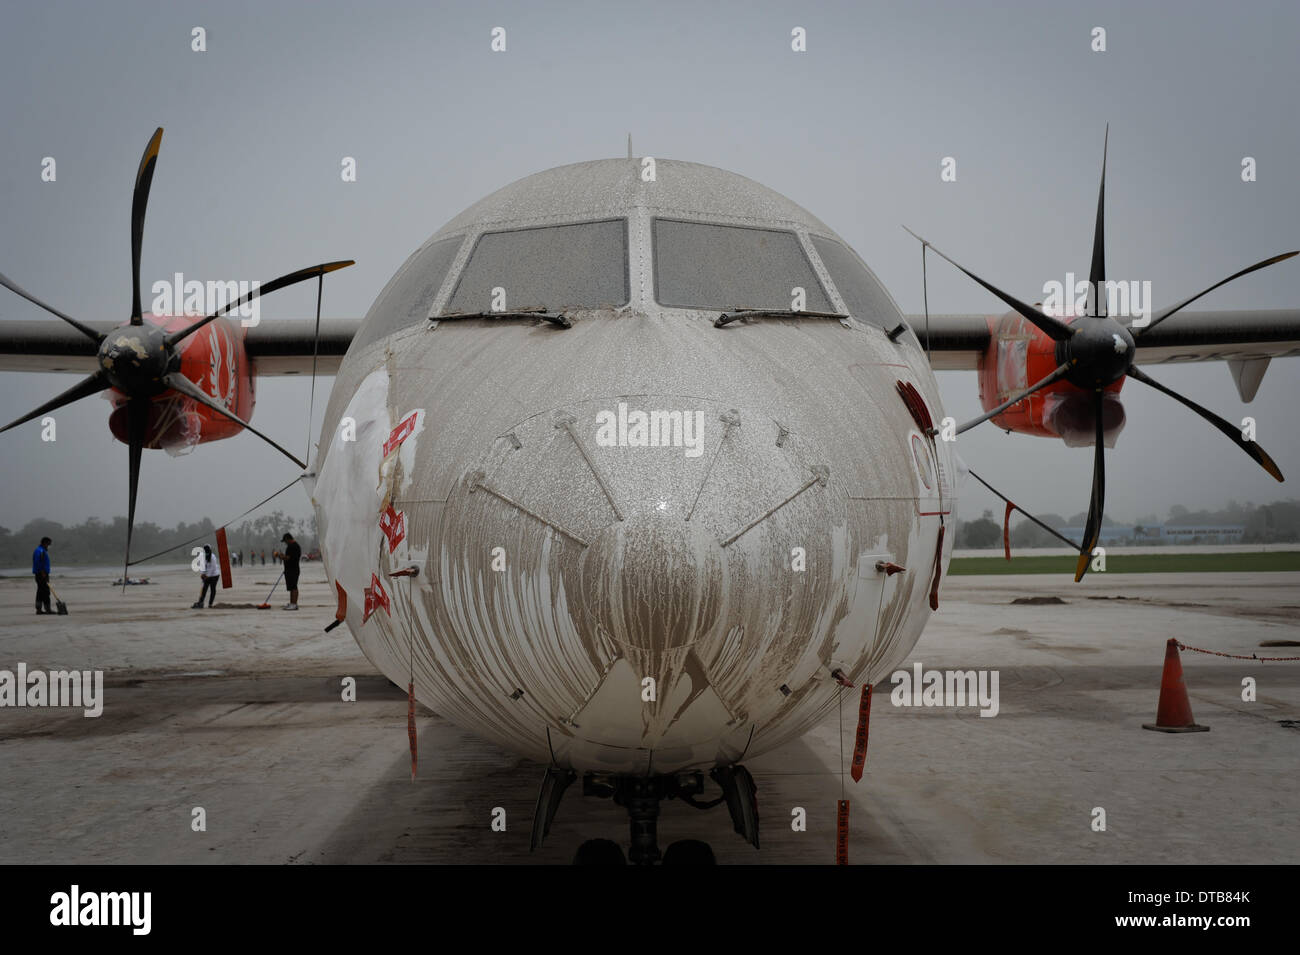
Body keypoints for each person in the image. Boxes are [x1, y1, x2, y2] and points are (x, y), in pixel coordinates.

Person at [192, 544, 220, 609]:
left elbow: (212, 568)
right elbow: (202, 566)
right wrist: (202, 574)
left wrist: (207, 576)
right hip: (207, 575)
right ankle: (201, 602)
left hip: (214, 575)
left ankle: (210, 604)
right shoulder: (202, 556)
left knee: (212, 589)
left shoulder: (213, 557)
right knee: (204, 588)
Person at [280, 532, 301, 610]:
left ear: (287, 539)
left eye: (285, 541)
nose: (285, 543)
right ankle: (292, 603)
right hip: (292, 569)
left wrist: (281, 556)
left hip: (293, 569)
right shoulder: (295, 545)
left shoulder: (292, 546)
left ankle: (294, 604)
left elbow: (288, 558)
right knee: (292, 587)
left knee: (293, 587)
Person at [32, 536, 52, 615]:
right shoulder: (40, 551)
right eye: (48, 544)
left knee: (40, 592)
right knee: (46, 591)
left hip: (42, 573)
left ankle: (39, 609)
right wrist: (43, 572)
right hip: (41, 574)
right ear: (45, 543)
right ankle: (48, 609)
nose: (49, 546)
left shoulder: (42, 550)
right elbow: (38, 562)